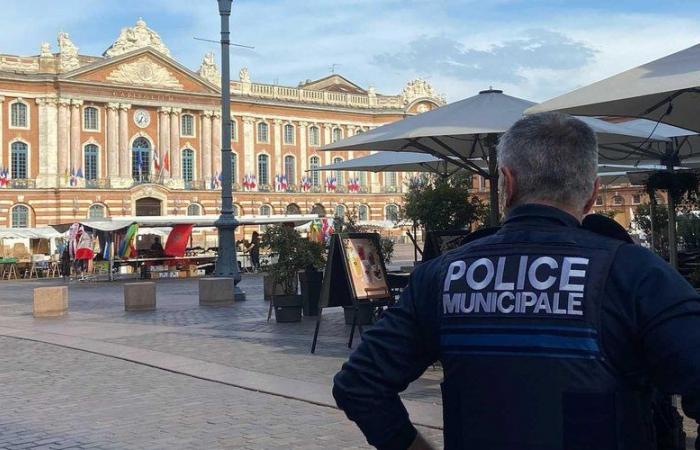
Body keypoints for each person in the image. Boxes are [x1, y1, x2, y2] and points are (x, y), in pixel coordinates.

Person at [333, 112, 700, 450]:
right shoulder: (635, 273)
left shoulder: (442, 275)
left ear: (506, 183)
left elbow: (359, 384)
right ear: (592, 193)